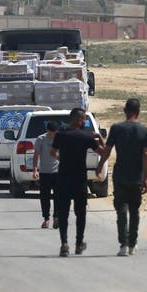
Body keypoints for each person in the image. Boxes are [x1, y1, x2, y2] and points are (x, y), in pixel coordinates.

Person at [99, 98, 147, 256]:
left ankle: (123, 244)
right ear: (138, 111)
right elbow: (146, 156)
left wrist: (100, 164)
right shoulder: (144, 131)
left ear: (125, 110)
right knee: (134, 211)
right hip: (136, 176)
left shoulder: (116, 128)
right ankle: (133, 244)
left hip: (120, 175)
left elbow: (107, 150)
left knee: (121, 210)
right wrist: (146, 178)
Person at [50, 108, 105, 256]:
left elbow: (52, 152)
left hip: (63, 179)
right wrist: (99, 136)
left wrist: (62, 159)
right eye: (85, 119)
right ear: (79, 120)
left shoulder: (60, 135)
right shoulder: (86, 137)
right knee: (80, 213)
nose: (85, 122)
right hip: (79, 180)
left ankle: (64, 244)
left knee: (63, 213)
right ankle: (79, 243)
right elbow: (104, 152)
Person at [32, 120, 60, 228]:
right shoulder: (41, 139)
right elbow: (36, 155)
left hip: (57, 172)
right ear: (47, 130)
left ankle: (56, 218)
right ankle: (46, 219)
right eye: (51, 132)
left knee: (58, 196)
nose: (53, 134)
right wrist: (35, 170)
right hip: (44, 172)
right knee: (45, 197)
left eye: (55, 132)